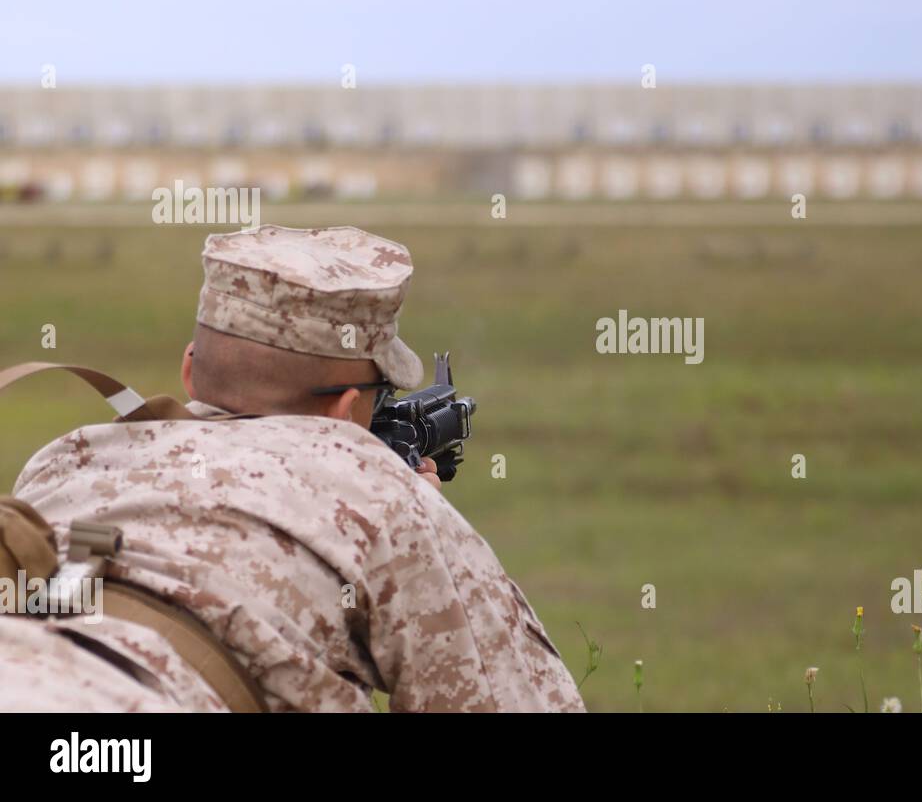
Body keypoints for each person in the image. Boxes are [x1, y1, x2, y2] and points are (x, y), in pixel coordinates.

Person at [0, 224, 584, 712]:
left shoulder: (68, 459)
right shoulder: (383, 499)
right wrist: (418, 518)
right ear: (346, 409)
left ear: (188, 369)